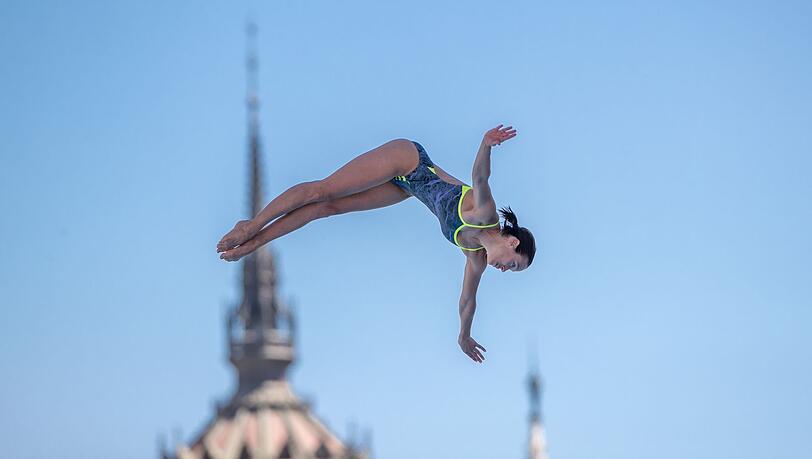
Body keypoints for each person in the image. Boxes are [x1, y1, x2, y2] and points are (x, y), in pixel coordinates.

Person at [217, 125, 536, 363]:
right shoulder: (484, 215)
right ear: (511, 241)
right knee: (323, 192)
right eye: (513, 263)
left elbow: (467, 301)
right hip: (407, 159)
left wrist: (463, 336)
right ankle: (251, 225)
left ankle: (253, 244)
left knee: (328, 209)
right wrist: (486, 144)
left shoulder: (475, 257)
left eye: (512, 271)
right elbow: (480, 177)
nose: (505, 269)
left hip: (406, 189)